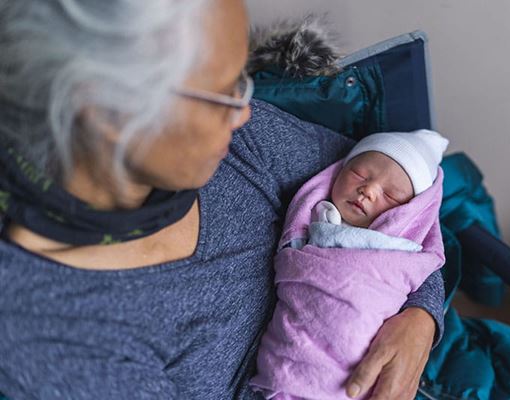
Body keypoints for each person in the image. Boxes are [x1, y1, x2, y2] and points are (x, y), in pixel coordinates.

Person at [0, 1, 444, 399]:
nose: (246, 110)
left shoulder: (237, 145)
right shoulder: (57, 337)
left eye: (242, 81)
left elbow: (404, 200)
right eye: (222, 90)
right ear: (105, 111)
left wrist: (420, 320)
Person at [250, 131, 448, 399]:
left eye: (391, 195)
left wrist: (424, 318)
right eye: (360, 174)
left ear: (407, 213)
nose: (368, 190)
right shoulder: (315, 218)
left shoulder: (404, 252)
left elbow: (424, 274)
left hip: (353, 374)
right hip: (288, 361)